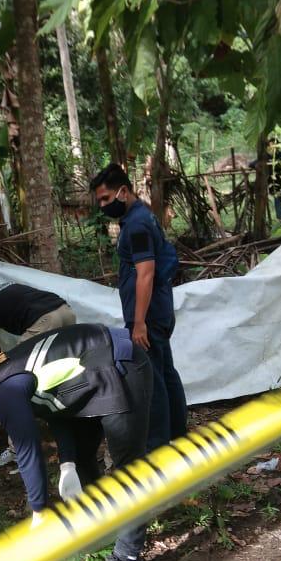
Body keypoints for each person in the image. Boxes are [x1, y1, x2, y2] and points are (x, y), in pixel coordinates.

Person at [0, 323, 154, 561]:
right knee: (83, 457)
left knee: (128, 471)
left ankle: (128, 558)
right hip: (96, 369)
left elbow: (28, 449)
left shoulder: (4, 393)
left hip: (118, 365)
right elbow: (55, 407)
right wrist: (67, 462)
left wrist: (39, 511)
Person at [88, 164, 187, 449]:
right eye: (100, 201)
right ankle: (178, 435)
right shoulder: (142, 215)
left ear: (123, 191)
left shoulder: (137, 225)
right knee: (166, 373)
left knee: (151, 380)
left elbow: (146, 273)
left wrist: (139, 322)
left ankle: (158, 447)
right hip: (159, 308)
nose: (103, 206)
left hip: (149, 315)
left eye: (106, 198)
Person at [0, 277, 77, 468]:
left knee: (14, 382)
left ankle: (18, 450)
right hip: (66, 312)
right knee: (62, 373)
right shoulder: (4, 287)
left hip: (45, 321)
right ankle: (75, 433)